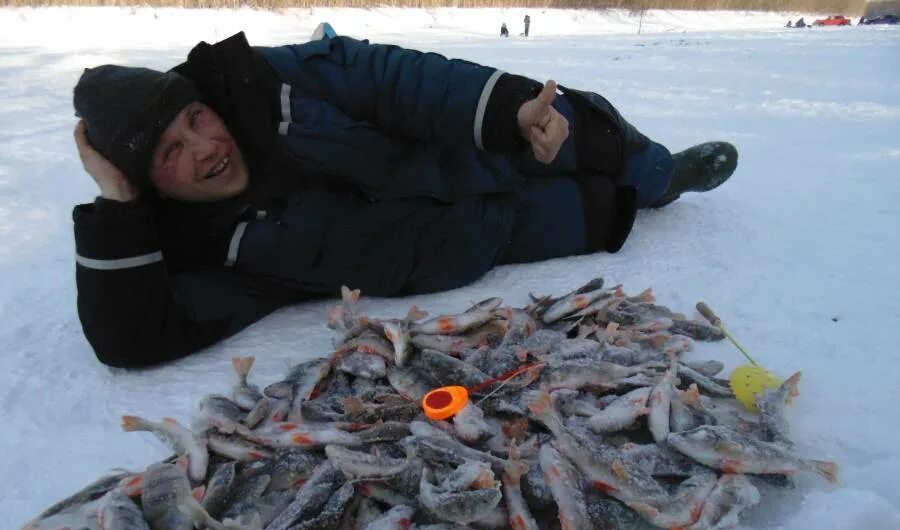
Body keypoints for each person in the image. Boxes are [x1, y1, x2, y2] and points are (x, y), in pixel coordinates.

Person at [72, 32, 738, 367]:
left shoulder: (267, 81)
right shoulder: (208, 250)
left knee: (584, 133)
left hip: (460, 149)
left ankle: (663, 175)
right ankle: (627, 194)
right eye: (169, 153)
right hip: (478, 240)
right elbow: (131, 336)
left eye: (194, 119)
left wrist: (505, 109)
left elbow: (396, 80)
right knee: (595, 211)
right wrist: (117, 208)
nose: (203, 146)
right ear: (149, 182)